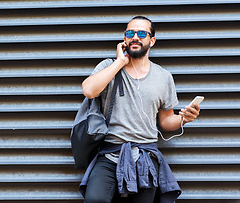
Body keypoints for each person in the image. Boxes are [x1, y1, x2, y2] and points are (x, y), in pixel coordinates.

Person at [79, 16, 200, 203]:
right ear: (124, 39)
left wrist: (184, 118)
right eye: (130, 33)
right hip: (110, 154)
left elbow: (166, 121)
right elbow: (88, 90)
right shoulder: (108, 66)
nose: (135, 37)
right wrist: (120, 62)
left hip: (145, 158)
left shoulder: (163, 76)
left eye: (142, 33)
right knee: (94, 199)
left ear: (151, 41)